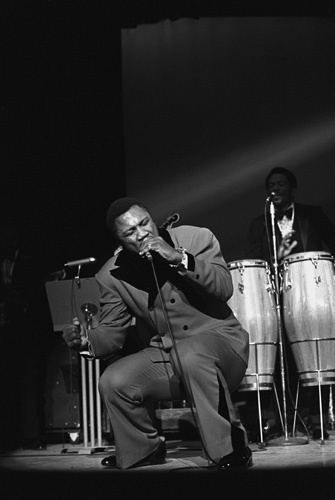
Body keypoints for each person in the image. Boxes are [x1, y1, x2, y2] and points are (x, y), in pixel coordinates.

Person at [63, 197, 252, 470]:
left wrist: (179, 258)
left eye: (144, 223)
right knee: (114, 380)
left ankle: (232, 449)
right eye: (130, 232)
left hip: (222, 345)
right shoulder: (111, 275)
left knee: (190, 354)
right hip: (170, 355)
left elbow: (224, 287)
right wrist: (86, 341)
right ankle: (144, 449)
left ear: (152, 219)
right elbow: (112, 334)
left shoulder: (196, 237)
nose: (142, 234)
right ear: (119, 240)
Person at [245, 166, 335, 440]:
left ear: (292, 188)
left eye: (281, 183)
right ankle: (286, 418)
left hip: (309, 296)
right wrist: (277, 255)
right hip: (275, 296)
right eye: (271, 184)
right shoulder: (259, 222)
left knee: (313, 353)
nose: (276, 188)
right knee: (281, 356)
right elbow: (256, 261)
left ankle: (315, 416)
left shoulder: (312, 214)